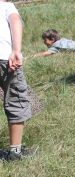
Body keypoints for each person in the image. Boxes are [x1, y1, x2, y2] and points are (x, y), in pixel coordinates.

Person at [0, 0, 32, 161]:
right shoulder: (6, 6)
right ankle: (15, 152)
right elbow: (15, 20)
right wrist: (16, 50)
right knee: (15, 99)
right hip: (4, 59)